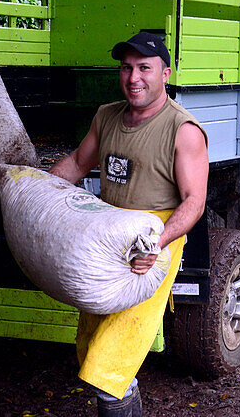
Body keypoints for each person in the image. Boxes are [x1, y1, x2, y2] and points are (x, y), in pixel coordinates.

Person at [50, 31, 209, 417]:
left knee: (110, 363)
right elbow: (75, 164)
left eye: (144, 68)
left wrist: (158, 244)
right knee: (91, 346)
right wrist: (37, 192)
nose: (133, 77)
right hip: (108, 240)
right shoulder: (106, 116)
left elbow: (194, 202)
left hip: (150, 247)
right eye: (126, 68)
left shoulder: (182, 130)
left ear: (166, 73)